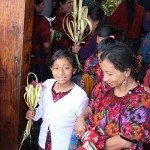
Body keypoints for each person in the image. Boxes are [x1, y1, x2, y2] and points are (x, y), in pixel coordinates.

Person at [74, 45, 150, 149]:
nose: (104, 78)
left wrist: (91, 144)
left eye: (109, 74)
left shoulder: (142, 100)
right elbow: (91, 107)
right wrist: (81, 118)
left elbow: (125, 141)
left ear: (127, 71)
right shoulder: (104, 87)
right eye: (103, 72)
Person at [26, 50, 89, 150]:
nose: (61, 72)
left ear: (74, 69)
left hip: (64, 145)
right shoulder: (47, 85)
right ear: (51, 69)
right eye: (56, 68)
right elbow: (42, 108)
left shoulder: (80, 96)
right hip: (43, 142)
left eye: (66, 68)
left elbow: (82, 123)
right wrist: (33, 114)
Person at [80, 25, 125, 98]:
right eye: (97, 44)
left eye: (102, 43)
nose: (99, 47)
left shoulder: (119, 61)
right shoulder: (97, 56)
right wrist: (86, 81)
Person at [30, 0, 51, 82]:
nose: (43, 7)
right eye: (42, 4)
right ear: (35, 6)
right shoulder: (41, 21)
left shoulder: (21, 19)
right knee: (39, 84)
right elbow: (46, 45)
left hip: (23, 54)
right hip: (37, 56)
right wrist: (47, 54)